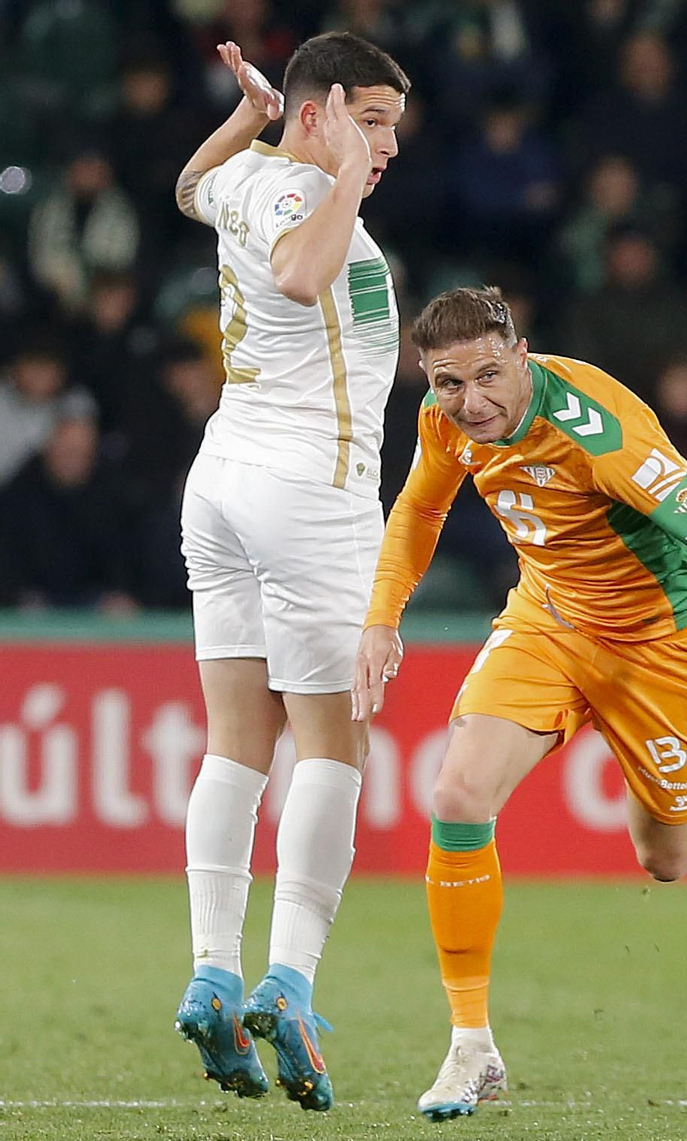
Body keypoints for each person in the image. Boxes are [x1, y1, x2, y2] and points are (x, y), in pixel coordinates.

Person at [350, 287, 687, 1121]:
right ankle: (472, 1043)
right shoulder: (448, 424)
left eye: (489, 376)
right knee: (457, 795)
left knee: (667, 860)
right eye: (447, 383)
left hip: (659, 644)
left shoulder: (596, 433)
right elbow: (421, 506)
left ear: (522, 352)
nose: (473, 401)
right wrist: (380, 618)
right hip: (550, 619)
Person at [169, 34, 410, 1112]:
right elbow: (302, 270)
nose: (387, 145)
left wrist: (247, 118)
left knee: (235, 745)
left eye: (396, 126)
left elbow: (188, 187)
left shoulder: (255, 173)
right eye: (372, 121)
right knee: (332, 748)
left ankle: (212, 968)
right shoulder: (313, 203)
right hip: (308, 497)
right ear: (322, 115)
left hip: (221, 479)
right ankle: (290, 983)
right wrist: (344, 175)